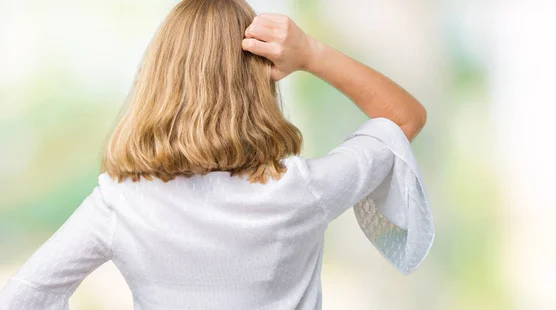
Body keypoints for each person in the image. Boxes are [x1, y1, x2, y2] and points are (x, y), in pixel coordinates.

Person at [0, 0, 434, 309]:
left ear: (160, 79)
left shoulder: (122, 202)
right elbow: (402, 119)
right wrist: (311, 54)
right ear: (258, 83)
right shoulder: (301, 190)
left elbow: (21, 298)